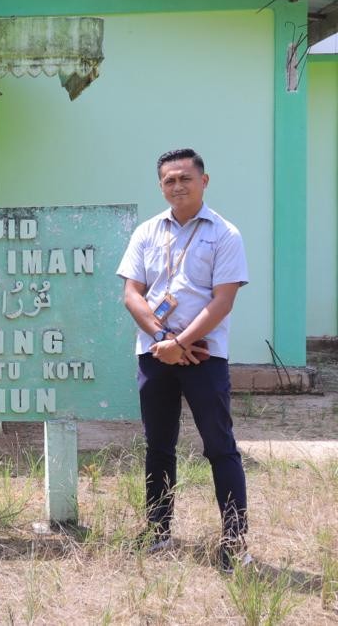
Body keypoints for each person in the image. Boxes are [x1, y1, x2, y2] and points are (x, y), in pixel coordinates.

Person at [116, 148, 250, 572]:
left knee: (220, 447)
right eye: (169, 180)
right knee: (158, 447)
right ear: (161, 186)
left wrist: (183, 342)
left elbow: (222, 300)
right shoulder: (146, 232)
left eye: (185, 178)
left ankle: (234, 540)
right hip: (155, 355)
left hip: (205, 356)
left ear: (204, 181)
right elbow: (132, 294)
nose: (177, 186)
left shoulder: (225, 234)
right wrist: (162, 339)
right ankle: (157, 531)